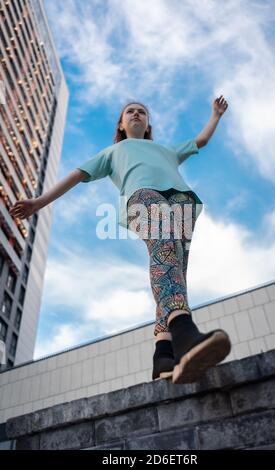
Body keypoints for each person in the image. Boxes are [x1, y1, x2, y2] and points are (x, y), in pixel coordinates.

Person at [9, 96, 231, 384]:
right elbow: (77, 175)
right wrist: (39, 202)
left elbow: (199, 141)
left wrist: (215, 115)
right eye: (131, 112)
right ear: (121, 124)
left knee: (174, 274)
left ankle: (163, 356)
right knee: (163, 250)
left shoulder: (165, 150)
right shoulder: (115, 151)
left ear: (148, 123)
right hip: (143, 197)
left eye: (142, 112)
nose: (137, 114)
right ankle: (185, 332)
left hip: (180, 203)